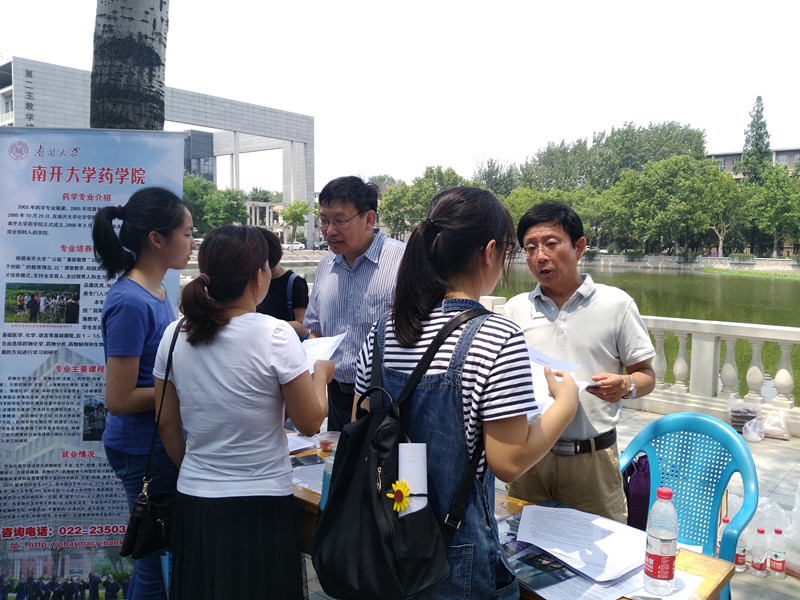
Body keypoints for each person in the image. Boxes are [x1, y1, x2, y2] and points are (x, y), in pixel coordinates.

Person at [353, 187, 579, 599]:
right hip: (455, 552)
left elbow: (360, 422)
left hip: (387, 536)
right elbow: (509, 461)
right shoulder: (496, 335)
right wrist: (565, 404)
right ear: (490, 252)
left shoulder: (383, 330)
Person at [154, 224, 334, 600]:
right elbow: (310, 422)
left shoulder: (174, 334)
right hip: (261, 504)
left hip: (196, 502)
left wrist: (199, 467)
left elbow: (167, 422)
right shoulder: (275, 334)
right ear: (258, 276)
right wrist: (320, 376)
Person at [503, 202, 656, 523]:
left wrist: (626, 385)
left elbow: (646, 376)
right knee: (519, 544)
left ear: (580, 246)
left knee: (604, 545)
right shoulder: (515, 309)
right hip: (530, 458)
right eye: (530, 248)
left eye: (551, 243)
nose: (540, 256)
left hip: (592, 461)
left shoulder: (616, 304)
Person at [91, 187, 196, 600]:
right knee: (155, 561)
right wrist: (185, 389)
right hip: (141, 449)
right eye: (186, 233)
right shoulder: (130, 302)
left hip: (155, 440)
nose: (193, 242)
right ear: (157, 238)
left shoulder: (158, 291)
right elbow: (119, 399)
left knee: (156, 557)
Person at [304, 175, 405, 431]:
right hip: (336, 394)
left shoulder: (402, 262)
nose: (329, 230)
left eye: (340, 220)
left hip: (385, 396)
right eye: (324, 221)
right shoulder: (325, 266)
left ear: (369, 219)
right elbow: (316, 332)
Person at [255, 229, 310, 337]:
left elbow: (303, 327)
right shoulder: (251, 281)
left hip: (284, 342)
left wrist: (266, 325)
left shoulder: (295, 283)